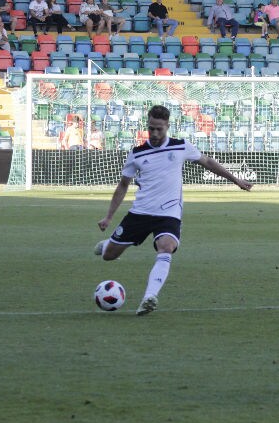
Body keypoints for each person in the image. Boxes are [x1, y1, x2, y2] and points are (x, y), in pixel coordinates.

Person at [94, 104, 253, 316]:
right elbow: (123, 185)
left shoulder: (180, 146)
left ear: (168, 126)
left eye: (159, 128)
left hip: (168, 213)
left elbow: (208, 162)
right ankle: (108, 244)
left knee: (166, 247)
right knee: (109, 256)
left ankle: (149, 297)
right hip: (140, 212)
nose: (155, 133)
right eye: (151, 128)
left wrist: (236, 180)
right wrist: (108, 216)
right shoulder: (137, 153)